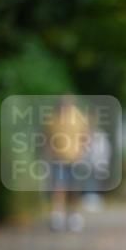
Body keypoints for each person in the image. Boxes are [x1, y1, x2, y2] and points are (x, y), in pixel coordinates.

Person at [44, 95, 90, 232]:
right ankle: (57, 215)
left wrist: (81, 153)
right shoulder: (52, 119)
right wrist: (50, 153)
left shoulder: (78, 118)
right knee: (59, 187)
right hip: (58, 159)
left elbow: (85, 136)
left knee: (74, 189)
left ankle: (73, 216)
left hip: (75, 159)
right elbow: (47, 138)